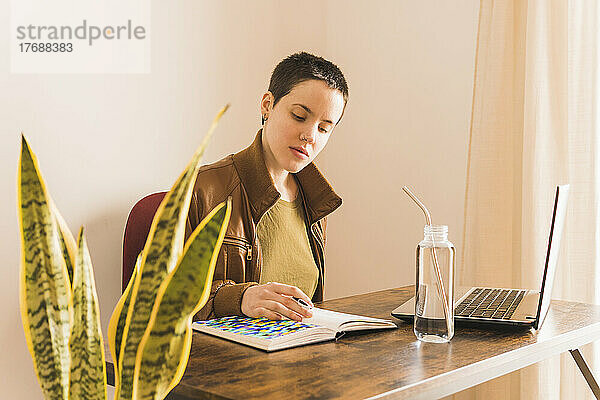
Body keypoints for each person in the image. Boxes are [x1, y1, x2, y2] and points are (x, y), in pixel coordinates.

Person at [187, 51, 348, 322]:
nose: (309, 136)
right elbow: (163, 299)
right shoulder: (206, 188)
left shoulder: (316, 201)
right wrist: (239, 298)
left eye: (324, 128)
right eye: (299, 116)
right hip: (227, 359)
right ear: (267, 105)